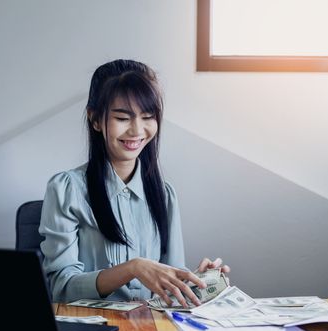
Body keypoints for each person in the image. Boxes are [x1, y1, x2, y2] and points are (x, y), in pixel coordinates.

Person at [39, 59, 230, 308]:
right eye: (122, 117)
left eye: (148, 116)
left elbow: (168, 293)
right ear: (95, 119)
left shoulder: (164, 194)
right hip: (92, 330)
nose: (137, 130)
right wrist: (133, 268)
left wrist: (198, 281)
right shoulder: (67, 190)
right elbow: (61, 290)